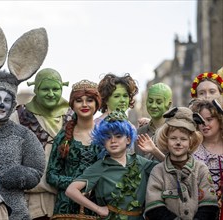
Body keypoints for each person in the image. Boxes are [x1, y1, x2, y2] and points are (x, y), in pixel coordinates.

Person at [0, 15, 47, 219]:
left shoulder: (23, 135)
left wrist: (20, 176)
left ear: (13, 103)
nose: (2, 104)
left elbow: (37, 169)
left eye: (7, 100)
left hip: (14, 211)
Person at [65, 110, 163, 219]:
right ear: (102, 141)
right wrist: (98, 209)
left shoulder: (141, 162)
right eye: (108, 137)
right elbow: (71, 190)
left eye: (118, 136)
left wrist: (154, 150)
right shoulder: (100, 167)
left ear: (128, 139)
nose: (113, 140)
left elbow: (170, 168)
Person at [17, 68, 73, 220]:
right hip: (31, 200)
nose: (51, 94)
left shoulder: (73, 116)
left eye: (55, 89)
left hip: (66, 199)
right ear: (36, 89)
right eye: (45, 89)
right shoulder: (20, 116)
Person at [144, 106, 219, 219]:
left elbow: (209, 205)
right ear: (166, 140)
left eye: (183, 139)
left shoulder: (201, 169)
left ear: (191, 142)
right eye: (173, 138)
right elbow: (153, 206)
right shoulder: (158, 171)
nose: (178, 143)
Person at [46, 79, 102, 216]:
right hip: (66, 207)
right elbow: (51, 175)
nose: (84, 104)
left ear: (97, 104)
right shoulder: (63, 137)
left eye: (89, 100)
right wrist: (77, 184)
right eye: (79, 100)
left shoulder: (105, 137)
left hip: (96, 206)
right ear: (72, 104)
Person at [190, 97, 223, 192]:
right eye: (200, 120)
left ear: (220, 119)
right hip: (202, 204)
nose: (204, 124)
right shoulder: (193, 148)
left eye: (209, 119)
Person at [135, 83, 172, 160]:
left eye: (159, 102)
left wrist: (154, 151)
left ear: (168, 105)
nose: (153, 106)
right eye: (150, 101)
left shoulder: (175, 131)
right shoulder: (139, 133)